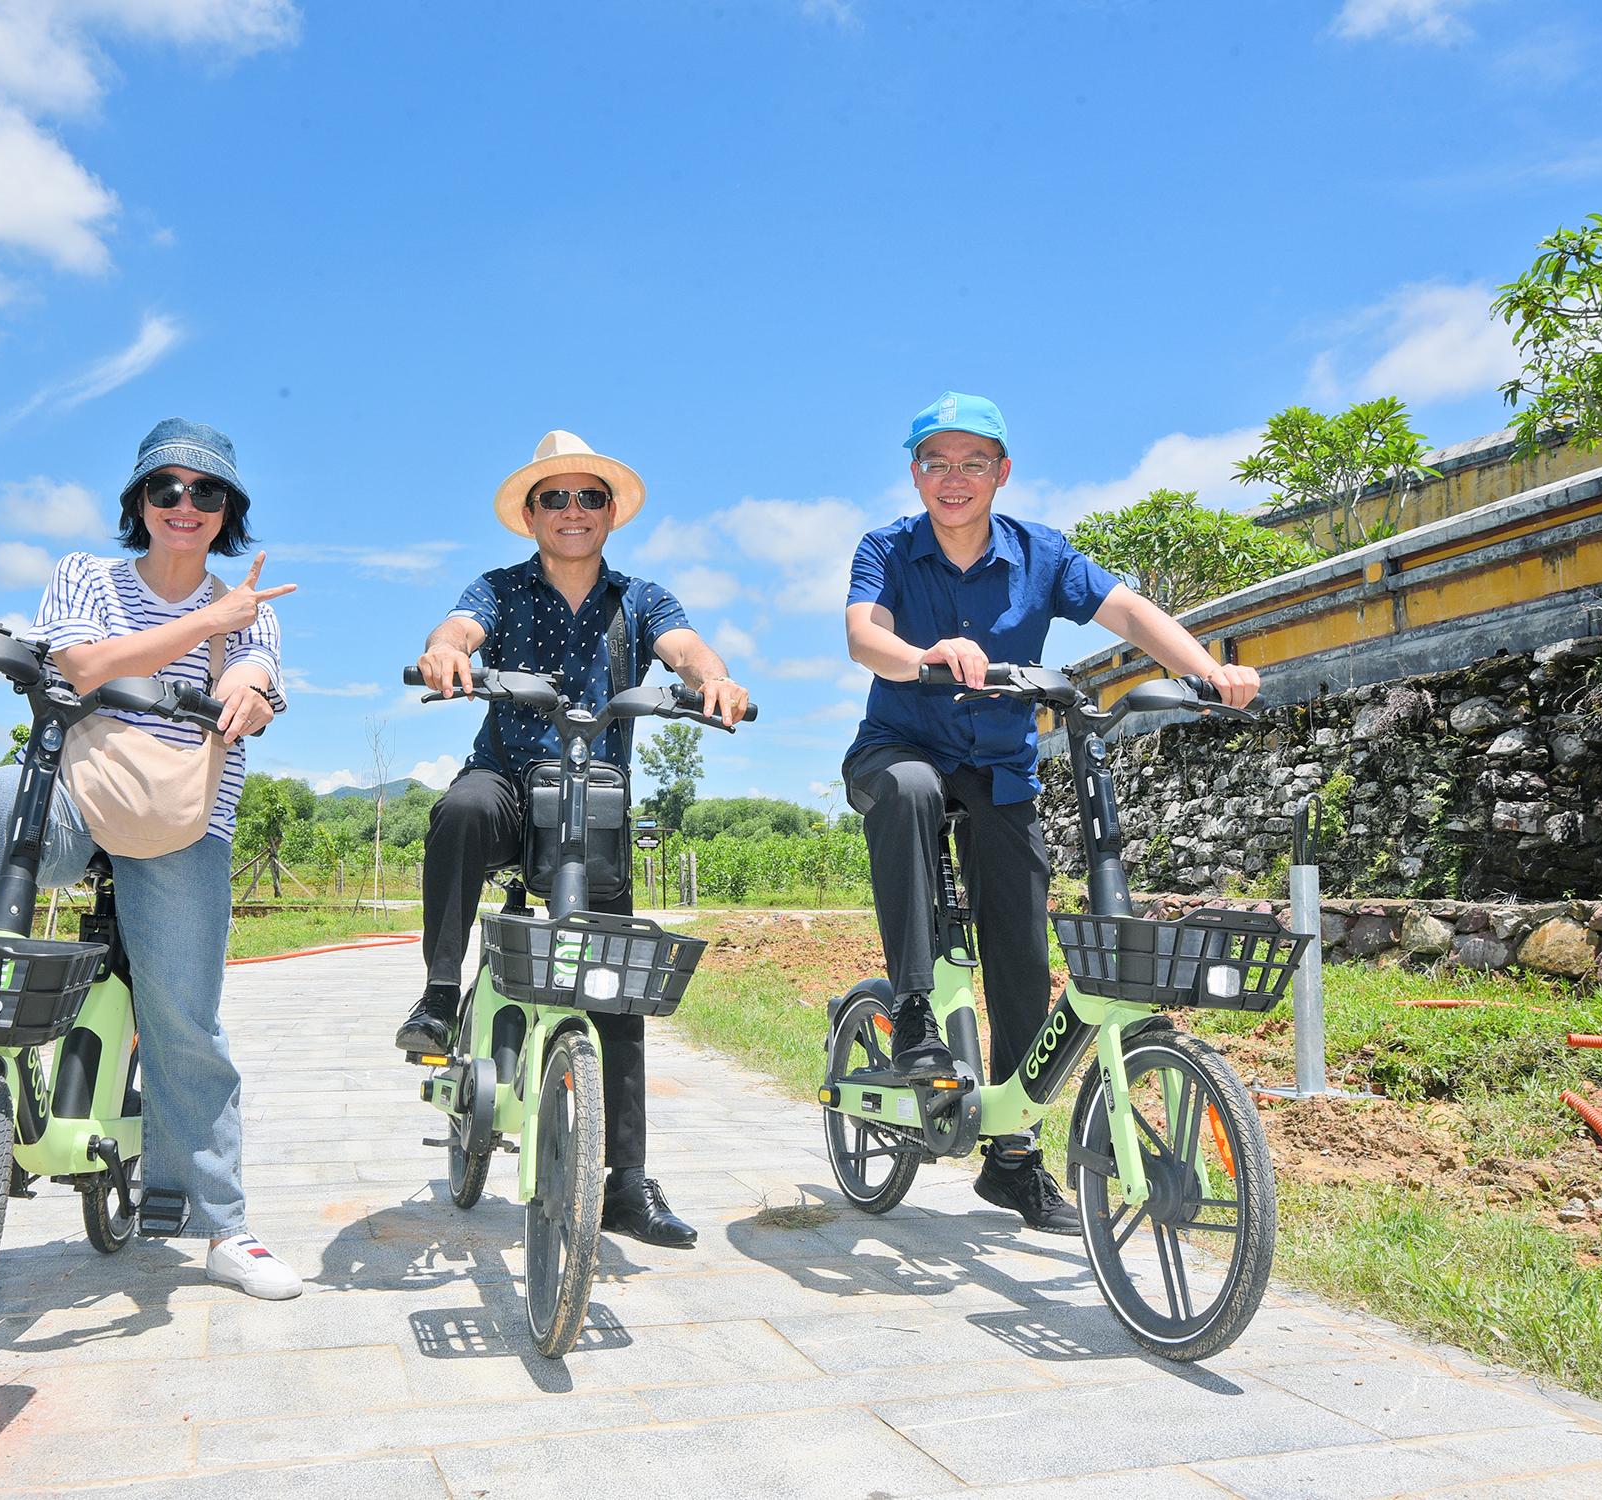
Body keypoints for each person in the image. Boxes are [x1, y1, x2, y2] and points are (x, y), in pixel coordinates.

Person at [0, 417, 304, 1297]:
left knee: (187, 1024)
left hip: (184, 820)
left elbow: (259, 685)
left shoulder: (248, 607)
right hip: (82, 793)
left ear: (228, 511)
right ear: (139, 503)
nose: (185, 506)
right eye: (167, 490)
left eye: (207, 492)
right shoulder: (86, 575)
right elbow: (81, 666)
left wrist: (247, 681)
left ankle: (226, 1229)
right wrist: (206, 626)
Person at [843, 392, 1260, 1236]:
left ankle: (1014, 1160)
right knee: (915, 792)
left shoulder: (1043, 555)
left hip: (999, 771)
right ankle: (916, 1012)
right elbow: (864, 636)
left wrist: (1207, 669)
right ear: (914, 473)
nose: (953, 478)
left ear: (1002, 472)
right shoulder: (886, 547)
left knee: (1024, 957)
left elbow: (1129, 611)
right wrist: (925, 656)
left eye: (972, 462)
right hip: (902, 749)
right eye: (936, 462)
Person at [395, 430, 751, 1248]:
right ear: (529, 515)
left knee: (617, 986)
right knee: (456, 813)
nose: (572, 510)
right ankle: (442, 993)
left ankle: (626, 1183)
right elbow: (458, 629)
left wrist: (712, 680)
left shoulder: (640, 597)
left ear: (610, 513)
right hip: (510, 787)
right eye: (554, 497)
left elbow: (686, 649)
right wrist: (446, 654)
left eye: (589, 496)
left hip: (591, 803)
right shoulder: (499, 588)